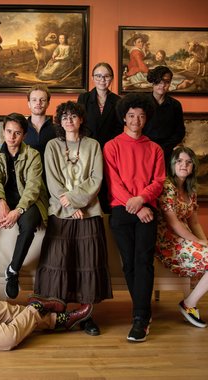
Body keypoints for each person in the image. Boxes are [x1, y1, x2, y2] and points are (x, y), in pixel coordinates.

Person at [34, 101, 112, 337]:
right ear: (59, 121)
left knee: (86, 262)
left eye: (74, 116)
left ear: (81, 120)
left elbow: (96, 179)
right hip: (61, 212)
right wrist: (70, 208)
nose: (69, 120)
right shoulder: (52, 146)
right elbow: (53, 182)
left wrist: (78, 203)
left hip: (89, 212)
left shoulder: (93, 145)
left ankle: (86, 315)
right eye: (64, 116)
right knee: (60, 261)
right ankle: (58, 313)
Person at [103, 93, 166, 342]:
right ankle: (142, 310)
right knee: (128, 263)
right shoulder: (112, 146)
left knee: (143, 261)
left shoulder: (155, 148)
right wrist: (136, 205)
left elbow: (159, 180)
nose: (136, 120)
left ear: (145, 118)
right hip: (121, 210)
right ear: (124, 118)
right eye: (131, 115)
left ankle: (140, 317)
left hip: (148, 210)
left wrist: (142, 201)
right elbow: (113, 181)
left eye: (141, 116)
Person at [0, 113, 48, 298]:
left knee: (28, 225)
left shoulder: (33, 155)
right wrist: (1, 202)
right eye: (9, 132)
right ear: (3, 131)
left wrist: (17, 211)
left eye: (17, 133)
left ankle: (13, 270)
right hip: (5, 198)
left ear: (24, 135)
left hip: (29, 201)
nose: (12, 137)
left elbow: (33, 188)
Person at [156, 147, 208, 328]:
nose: (183, 165)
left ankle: (190, 302)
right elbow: (174, 224)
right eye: (179, 161)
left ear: (193, 167)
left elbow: (193, 222)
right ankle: (189, 304)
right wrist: (198, 242)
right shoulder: (167, 186)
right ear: (173, 164)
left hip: (186, 240)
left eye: (188, 162)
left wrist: (205, 242)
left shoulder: (190, 191)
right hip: (169, 243)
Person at [77, 62, 122, 212]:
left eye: (107, 76)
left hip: (110, 150)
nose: (102, 80)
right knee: (87, 183)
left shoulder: (118, 101)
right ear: (92, 78)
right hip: (87, 149)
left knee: (107, 185)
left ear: (112, 78)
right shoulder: (84, 98)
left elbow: (119, 128)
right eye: (98, 76)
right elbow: (79, 124)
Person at [143, 66, 186, 166]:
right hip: (145, 148)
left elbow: (180, 132)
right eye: (159, 81)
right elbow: (136, 128)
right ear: (153, 82)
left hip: (167, 151)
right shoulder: (142, 102)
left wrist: (164, 148)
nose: (162, 85)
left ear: (170, 83)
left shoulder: (175, 105)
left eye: (166, 82)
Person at [24, 84, 56, 163]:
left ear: (48, 104)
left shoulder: (57, 130)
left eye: (43, 100)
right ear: (29, 104)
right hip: (27, 174)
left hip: (50, 174)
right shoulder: (21, 129)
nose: (38, 103)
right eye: (34, 100)